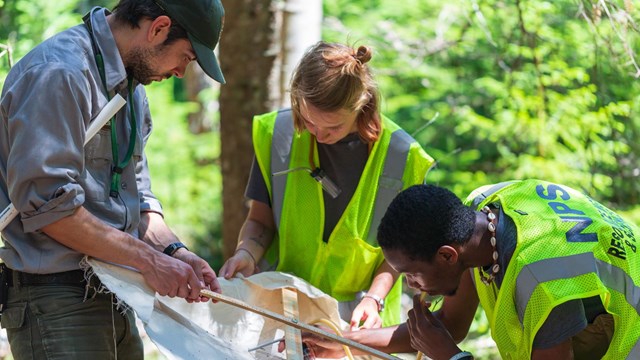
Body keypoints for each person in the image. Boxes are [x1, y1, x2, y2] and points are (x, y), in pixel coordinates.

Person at [0, 0, 225, 358]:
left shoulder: (132, 90)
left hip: (117, 291)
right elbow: (50, 209)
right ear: (159, 28)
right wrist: (150, 262)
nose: (182, 71)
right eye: (187, 56)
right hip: (56, 300)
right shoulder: (59, 73)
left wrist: (176, 253)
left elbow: (138, 198)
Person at [219, 41, 435, 330]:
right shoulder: (278, 134)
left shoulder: (402, 156)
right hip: (282, 307)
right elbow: (260, 220)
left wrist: (374, 300)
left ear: (361, 106)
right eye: (308, 121)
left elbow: (400, 253)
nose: (318, 135)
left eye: (332, 127)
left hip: (358, 320)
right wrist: (246, 253)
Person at [304, 180, 640, 360]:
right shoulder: (482, 214)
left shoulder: (545, 278)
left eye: (412, 274)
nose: (411, 286)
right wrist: (344, 340)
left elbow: (445, 342)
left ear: (448, 255)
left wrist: (451, 358)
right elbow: (448, 325)